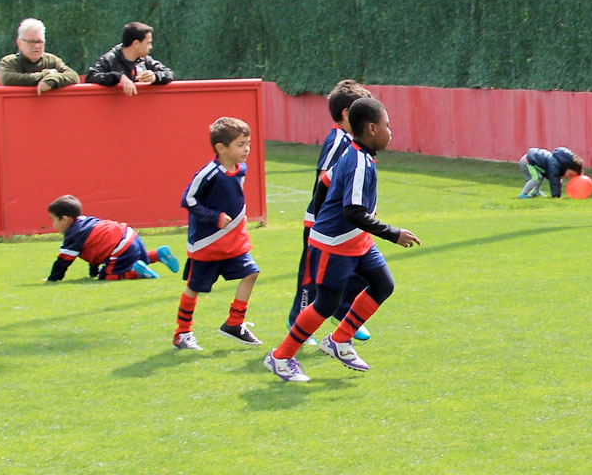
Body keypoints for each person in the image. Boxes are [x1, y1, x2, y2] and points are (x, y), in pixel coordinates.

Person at [265, 98, 421, 382]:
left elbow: (325, 182)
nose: (391, 131)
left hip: (357, 241)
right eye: (387, 125)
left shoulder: (357, 153)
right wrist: (393, 233)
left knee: (383, 284)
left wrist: (319, 212)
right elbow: (353, 211)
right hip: (335, 245)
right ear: (372, 129)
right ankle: (280, 357)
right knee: (325, 305)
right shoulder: (358, 160)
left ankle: (339, 340)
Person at [286, 80, 371, 346]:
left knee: (361, 268)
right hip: (322, 224)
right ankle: (297, 320)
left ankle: (343, 312)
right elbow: (325, 178)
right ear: (347, 113)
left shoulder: (354, 141)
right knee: (312, 278)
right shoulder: (337, 141)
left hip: (345, 224)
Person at [173, 117, 261, 351]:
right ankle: (182, 332)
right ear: (221, 148)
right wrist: (215, 217)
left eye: (248, 143)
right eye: (240, 144)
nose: (247, 149)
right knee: (195, 287)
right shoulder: (208, 173)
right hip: (207, 244)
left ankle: (235, 323)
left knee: (251, 273)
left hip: (234, 242)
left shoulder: (241, 168)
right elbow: (188, 200)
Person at [43, 194, 180, 282]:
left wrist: (53, 279)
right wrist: (93, 273)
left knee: (108, 275)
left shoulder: (73, 235)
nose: (52, 224)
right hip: (130, 235)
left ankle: (134, 273)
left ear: (64, 219)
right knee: (135, 258)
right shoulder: (86, 222)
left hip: (120, 246)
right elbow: (95, 251)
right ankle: (157, 254)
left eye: (53, 220)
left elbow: (63, 261)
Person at [84, 22, 174, 94]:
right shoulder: (110, 59)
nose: (151, 47)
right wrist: (118, 77)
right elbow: (91, 77)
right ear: (136, 44)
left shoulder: (146, 60)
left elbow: (169, 74)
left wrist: (155, 77)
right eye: (148, 43)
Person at [0, 18, 79, 94]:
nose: (36, 46)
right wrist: (45, 74)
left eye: (40, 42)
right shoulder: (9, 62)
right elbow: (8, 79)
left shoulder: (52, 60)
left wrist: (52, 80)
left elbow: (73, 76)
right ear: (19, 43)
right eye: (31, 42)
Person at [517, 146, 584, 199]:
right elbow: (554, 181)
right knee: (536, 178)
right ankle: (523, 194)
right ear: (566, 167)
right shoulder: (554, 165)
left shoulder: (557, 165)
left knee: (540, 177)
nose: (568, 177)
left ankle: (535, 192)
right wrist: (556, 195)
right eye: (570, 174)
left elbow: (556, 179)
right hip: (528, 161)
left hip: (531, 162)